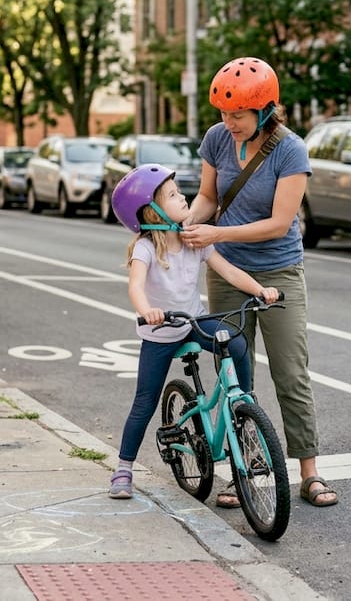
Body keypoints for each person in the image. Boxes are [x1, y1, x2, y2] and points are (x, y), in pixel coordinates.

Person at [180, 56, 338, 507]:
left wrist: (217, 233)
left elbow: (278, 222)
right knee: (235, 375)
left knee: (291, 371)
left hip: (278, 269)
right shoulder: (216, 139)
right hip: (228, 273)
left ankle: (309, 473)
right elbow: (209, 196)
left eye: (238, 114)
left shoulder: (290, 150)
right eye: (224, 113)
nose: (228, 122)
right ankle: (242, 470)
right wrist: (189, 224)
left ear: (265, 110)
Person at [106, 164, 280, 504]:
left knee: (237, 342)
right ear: (151, 211)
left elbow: (228, 271)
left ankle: (243, 402)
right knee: (144, 402)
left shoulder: (194, 241)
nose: (183, 196)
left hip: (193, 321)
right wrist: (147, 311)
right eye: (172, 195)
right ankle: (124, 468)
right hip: (160, 332)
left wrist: (260, 290)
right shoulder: (145, 248)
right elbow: (136, 287)